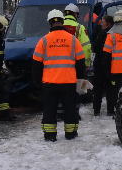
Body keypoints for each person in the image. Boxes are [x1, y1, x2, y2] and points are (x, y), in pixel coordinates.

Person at [32, 10, 86, 141]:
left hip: (49, 83)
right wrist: (81, 82)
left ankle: (50, 135)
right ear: (62, 22)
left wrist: (37, 83)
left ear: (50, 23)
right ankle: (71, 133)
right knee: (70, 110)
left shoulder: (43, 41)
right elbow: (81, 64)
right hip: (69, 82)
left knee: (49, 110)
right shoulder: (73, 40)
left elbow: (36, 65)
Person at [91, 15, 114, 116]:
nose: (101, 23)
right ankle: (110, 110)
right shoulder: (114, 33)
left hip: (100, 64)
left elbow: (95, 47)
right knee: (110, 89)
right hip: (110, 65)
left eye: (103, 22)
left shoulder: (102, 33)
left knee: (98, 90)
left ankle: (96, 111)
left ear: (108, 23)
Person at [63, 3, 92, 68]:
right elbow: (86, 47)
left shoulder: (56, 27)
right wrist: (86, 64)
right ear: (75, 14)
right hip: (74, 64)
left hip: (56, 65)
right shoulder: (80, 27)